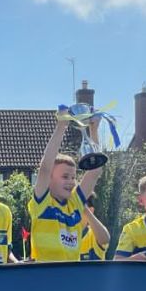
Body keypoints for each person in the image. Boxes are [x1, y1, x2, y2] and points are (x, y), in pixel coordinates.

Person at [28, 109, 102, 261]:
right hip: (46, 277)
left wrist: (94, 130)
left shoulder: (74, 204)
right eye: (65, 176)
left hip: (71, 277)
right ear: (50, 179)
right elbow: (45, 169)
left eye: (73, 177)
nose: (71, 181)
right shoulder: (43, 203)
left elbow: (95, 171)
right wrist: (61, 126)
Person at [80, 195, 110, 261]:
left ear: (90, 210)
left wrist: (85, 209)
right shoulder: (59, 231)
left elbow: (105, 240)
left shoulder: (94, 234)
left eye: (78, 208)